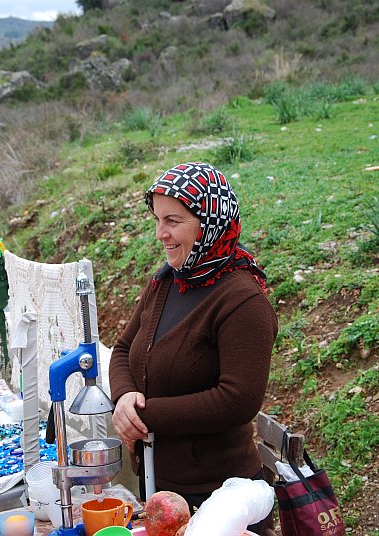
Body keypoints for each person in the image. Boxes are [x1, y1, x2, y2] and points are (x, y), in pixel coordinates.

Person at [109, 162, 278, 534]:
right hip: (159, 494)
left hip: (219, 501)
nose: (160, 234)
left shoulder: (242, 301)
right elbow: (123, 349)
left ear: (209, 222)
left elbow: (238, 399)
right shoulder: (167, 281)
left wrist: (146, 415)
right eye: (157, 219)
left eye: (173, 220)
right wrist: (124, 398)